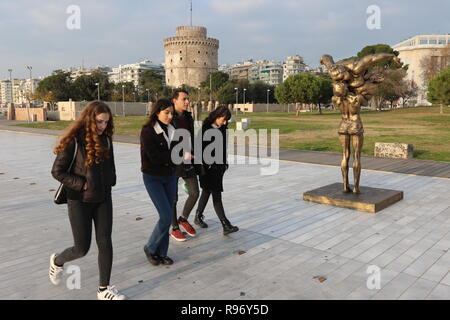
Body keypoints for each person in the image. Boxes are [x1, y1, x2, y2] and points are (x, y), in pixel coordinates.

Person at [50, 101, 127, 300]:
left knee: (105, 242)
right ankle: (58, 261)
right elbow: (57, 171)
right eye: (99, 122)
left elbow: (111, 166)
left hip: (103, 198)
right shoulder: (74, 141)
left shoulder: (107, 140)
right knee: (81, 248)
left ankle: (103, 290)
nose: (102, 126)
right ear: (89, 119)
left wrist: (111, 180)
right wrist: (81, 184)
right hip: (79, 201)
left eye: (106, 122)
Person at [140, 99, 177, 266]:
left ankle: (162, 253)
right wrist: (176, 157)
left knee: (168, 217)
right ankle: (150, 247)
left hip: (170, 177)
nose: (170, 116)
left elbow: (178, 151)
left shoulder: (172, 129)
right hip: (153, 177)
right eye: (166, 113)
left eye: (172, 113)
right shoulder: (147, 131)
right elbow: (154, 157)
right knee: (165, 215)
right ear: (157, 112)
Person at [195, 105, 239, 235]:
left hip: (218, 168)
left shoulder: (223, 129)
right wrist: (203, 167)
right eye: (223, 119)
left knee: (207, 191)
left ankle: (198, 216)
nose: (225, 123)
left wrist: (224, 164)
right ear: (216, 116)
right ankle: (225, 224)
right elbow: (198, 150)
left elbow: (223, 149)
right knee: (216, 193)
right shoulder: (205, 130)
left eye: (227, 120)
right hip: (207, 169)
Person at [170, 89, 200, 242]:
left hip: (188, 160)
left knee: (195, 192)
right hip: (173, 162)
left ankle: (183, 218)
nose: (188, 102)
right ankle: (175, 228)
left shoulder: (188, 116)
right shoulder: (168, 117)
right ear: (174, 100)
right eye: (184, 99)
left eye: (188, 99)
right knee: (172, 198)